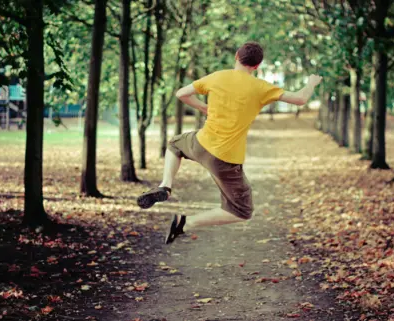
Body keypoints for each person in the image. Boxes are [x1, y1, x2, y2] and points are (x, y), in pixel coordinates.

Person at [137, 41, 323, 244]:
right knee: (241, 211)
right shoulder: (261, 87)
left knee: (174, 144)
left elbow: (181, 93)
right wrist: (311, 83)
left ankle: (165, 185)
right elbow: (300, 99)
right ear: (257, 66)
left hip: (200, 143)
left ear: (236, 56)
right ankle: (185, 223)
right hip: (225, 159)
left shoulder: (218, 76)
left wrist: (203, 108)